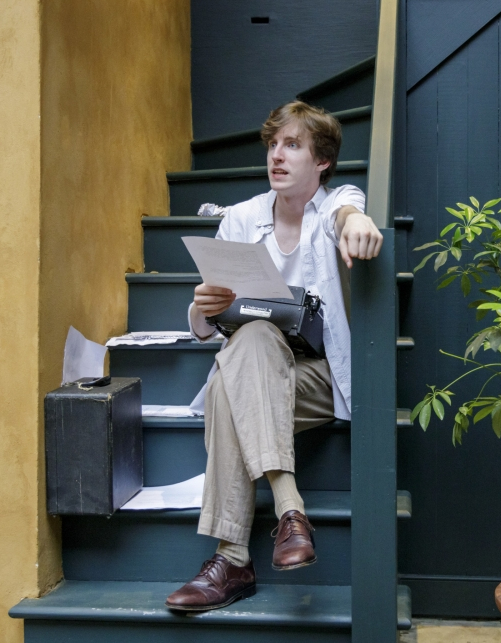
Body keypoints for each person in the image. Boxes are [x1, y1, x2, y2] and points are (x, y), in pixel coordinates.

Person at [164, 101, 384, 611]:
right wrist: (203, 306)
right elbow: (205, 326)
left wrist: (357, 222)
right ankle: (290, 513)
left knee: (226, 387)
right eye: (272, 145)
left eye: (292, 145)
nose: (277, 157)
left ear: (321, 161)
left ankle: (232, 558)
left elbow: (348, 206)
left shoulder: (333, 206)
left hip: (318, 377)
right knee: (253, 340)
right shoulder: (240, 218)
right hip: (253, 363)